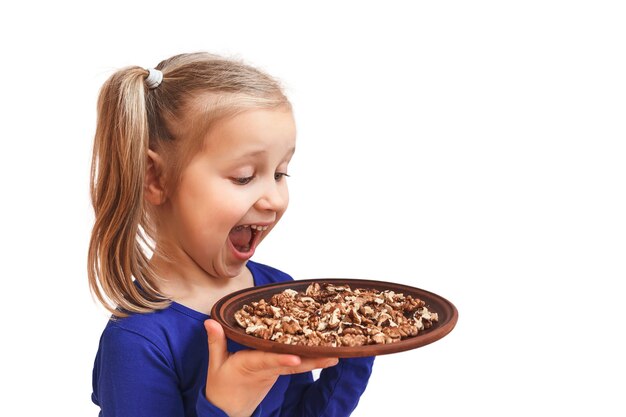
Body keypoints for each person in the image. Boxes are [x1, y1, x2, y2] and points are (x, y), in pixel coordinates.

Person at [88, 52, 375, 417]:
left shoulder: (278, 293)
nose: (274, 199)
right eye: (243, 176)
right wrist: (226, 408)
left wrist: (356, 353)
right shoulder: (137, 341)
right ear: (155, 178)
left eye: (281, 173)